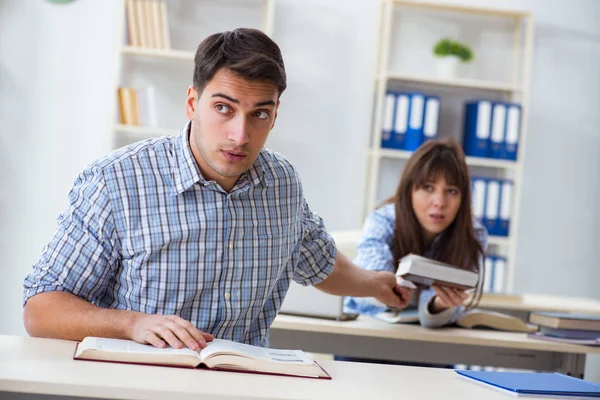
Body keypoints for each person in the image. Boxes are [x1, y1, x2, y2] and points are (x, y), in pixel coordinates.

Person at [22, 28, 413, 351]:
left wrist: (381, 286)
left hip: (242, 386)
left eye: (259, 113)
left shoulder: (283, 184)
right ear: (192, 102)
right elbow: (40, 310)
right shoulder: (116, 181)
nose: (240, 135)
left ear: (275, 116)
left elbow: (318, 262)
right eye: (224, 108)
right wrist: (133, 324)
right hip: (139, 385)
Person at [344, 138, 488, 328]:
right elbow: (371, 282)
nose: (439, 202)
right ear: (409, 190)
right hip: (368, 330)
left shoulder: (473, 234)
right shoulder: (382, 220)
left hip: (428, 342)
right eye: (428, 188)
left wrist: (439, 305)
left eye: (451, 191)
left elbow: (446, 313)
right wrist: (390, 289)